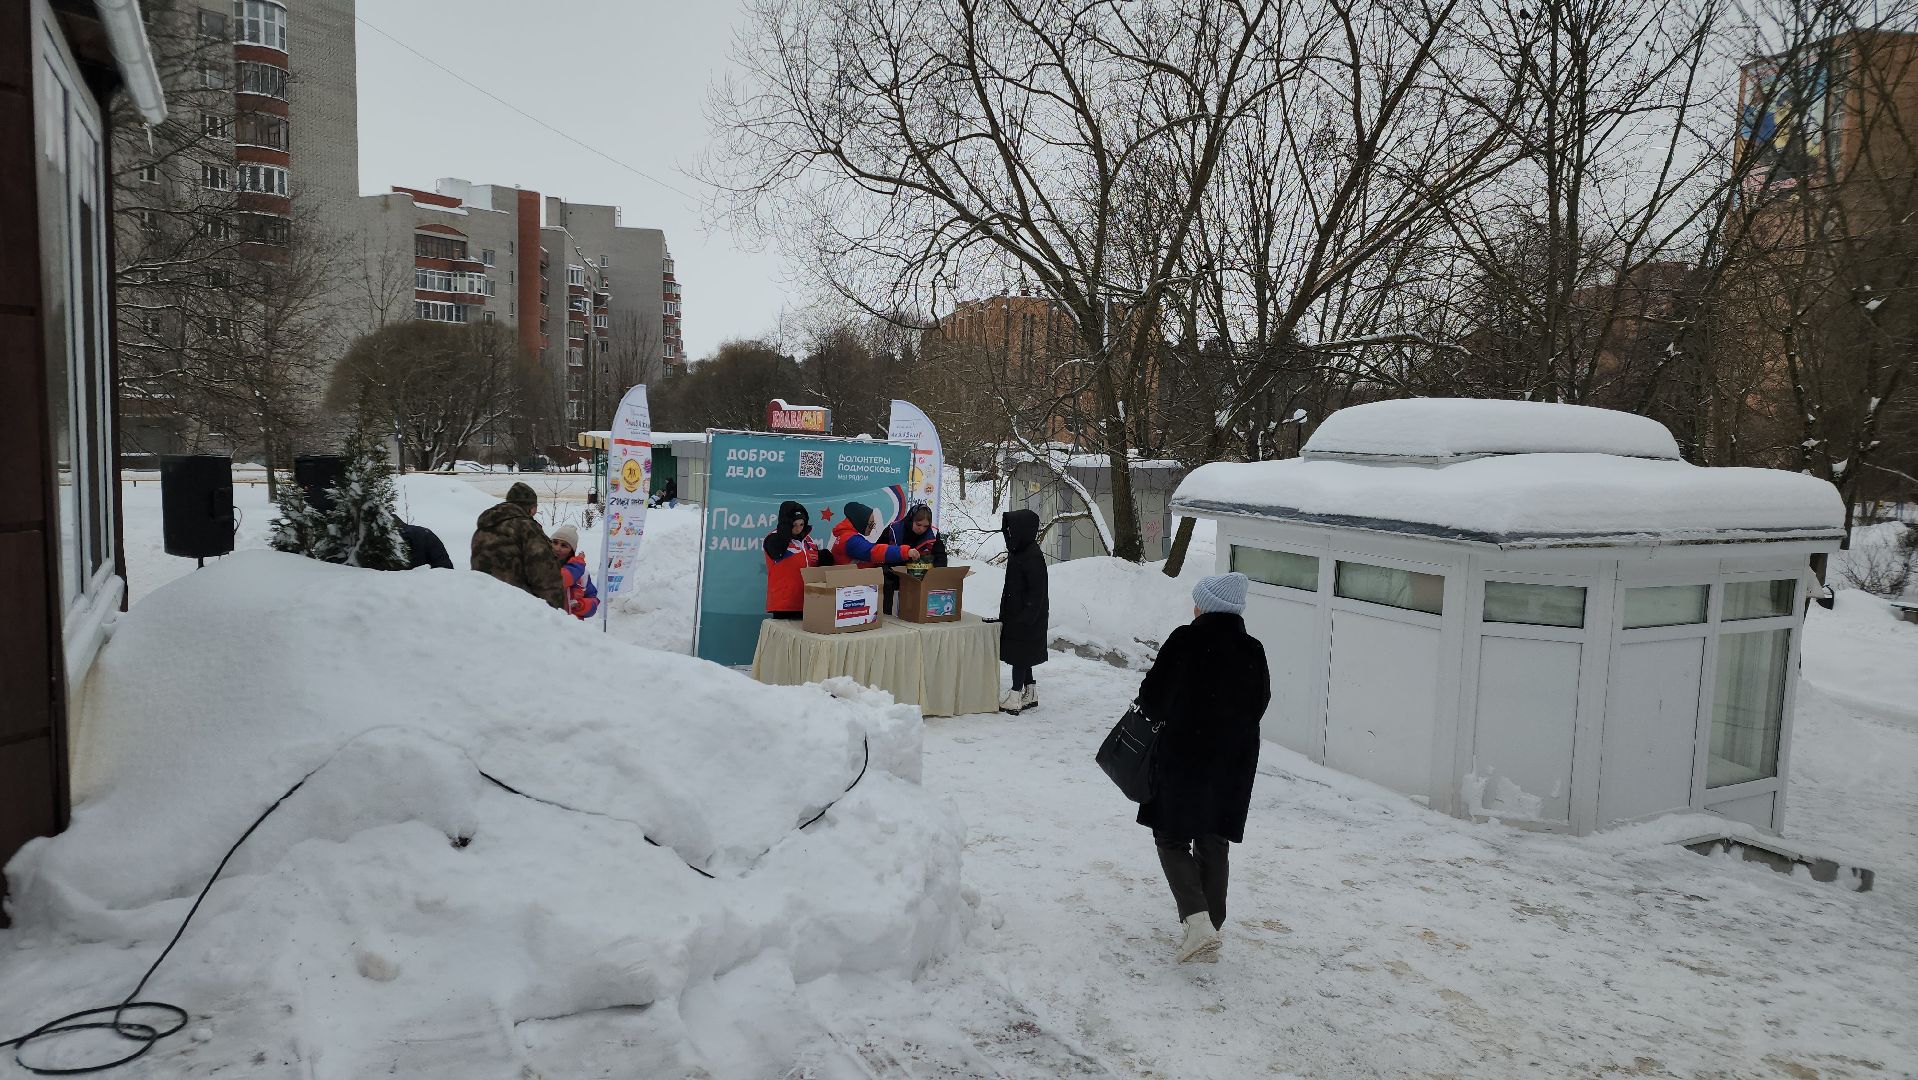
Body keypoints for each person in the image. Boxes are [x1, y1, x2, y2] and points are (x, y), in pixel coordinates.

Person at [1135, 572, 1270, 964]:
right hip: (1232, 762)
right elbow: (1260, 702)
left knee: (1171, 837)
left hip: (1184, 757)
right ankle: (1211, 924)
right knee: (1213, 837)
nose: (1192, 608)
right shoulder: (1253, 649)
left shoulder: (1186, 639)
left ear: (1206, 606)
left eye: (1197, 602)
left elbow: (1153, 698)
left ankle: (1198, 924)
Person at [471, 481, 566, 610]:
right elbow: (544, 575)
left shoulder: (484, 527)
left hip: (484, 603)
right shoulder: (527, 528)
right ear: (531, 508)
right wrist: (555, 614)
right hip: (518, 607)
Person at [997, 509, 1048, 714]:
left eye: (1012, 529)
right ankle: (1031, 692)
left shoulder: (1032, 556)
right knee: (1023, 655)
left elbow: (1038, 591)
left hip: (1028, 617)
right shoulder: (1018, 551)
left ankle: (1016, 694)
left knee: (1020, 656)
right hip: (1017, 613)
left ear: (1023, 530)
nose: (1009, 533)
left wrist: (1027, 617)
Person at [764, 500, 833, 619]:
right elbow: (777, 552)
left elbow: (815, 566)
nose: (798, 529)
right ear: (786, 523)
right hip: (784, 605)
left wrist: (822, 557)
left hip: (807, 602)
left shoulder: (809, 541)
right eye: (794, 525)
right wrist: (784, 530)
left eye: (801, 524)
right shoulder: (773, 539)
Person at [878, 503, 947, 611]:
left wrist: (934, 574)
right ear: (911, 520)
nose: (922, 529)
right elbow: (878, 551)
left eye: (925, 526)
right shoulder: (893, 530)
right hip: (893, 578)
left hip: (920, 580)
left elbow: (940, 556)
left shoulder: (933, 534)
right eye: (918, 525)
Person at [831, 501, 919, 570]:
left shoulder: (845, 536)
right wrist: (904, 552)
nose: (872, 528)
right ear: (860, 522)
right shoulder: (851, 540)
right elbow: (873, 552)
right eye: (870, 524)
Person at [551, 524, 599, 621]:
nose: (557, 548)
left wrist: (582, 606)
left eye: (564, 545)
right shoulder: (541, 567)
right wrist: (578, 564)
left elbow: (593, 600)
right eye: (554, 542)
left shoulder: (583, 574)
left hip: (573, 630)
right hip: (548, 625)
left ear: (571, 551)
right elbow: (561, 579)